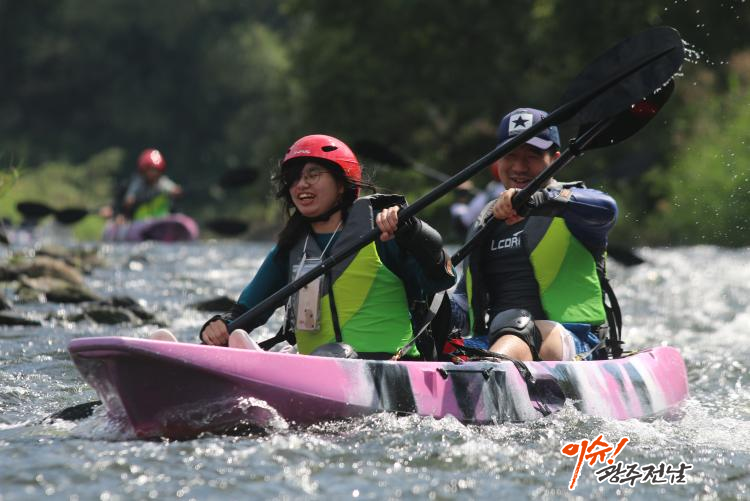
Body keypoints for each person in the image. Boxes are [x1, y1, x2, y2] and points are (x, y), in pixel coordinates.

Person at [200, 134, 456, 359]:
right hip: (314, 366)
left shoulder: (383, 232)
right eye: (294, 178)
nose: (301, 184)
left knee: (336, 353)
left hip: (389, 366)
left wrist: (414, 232)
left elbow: (441, 279)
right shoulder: (290, 249)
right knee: (242, 338)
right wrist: (221, 325)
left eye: (313, 175)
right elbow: (245, 312)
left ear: (342, 184)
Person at [449, 108, 619, 362]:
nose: (519, 167)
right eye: (510, 155)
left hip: (576, 341)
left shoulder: (574, 208)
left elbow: (608, 209)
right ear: (497, 161)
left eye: (532, 156)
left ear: (557, 159)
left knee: (516, 325)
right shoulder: (484, 222)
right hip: (497, 341)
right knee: (435, 337)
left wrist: (539, 199)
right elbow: (463, 305)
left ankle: (487, 368)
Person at [115, 148, 183, 221]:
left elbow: (172, 188)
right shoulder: (137, 182)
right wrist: (130, 201)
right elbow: (129, 198)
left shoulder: (161, 181)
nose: (154, 173)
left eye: (156, 170)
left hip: (159, 217)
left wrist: (176, 191)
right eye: (151, 170)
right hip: (138, 218)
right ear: (144, 170)